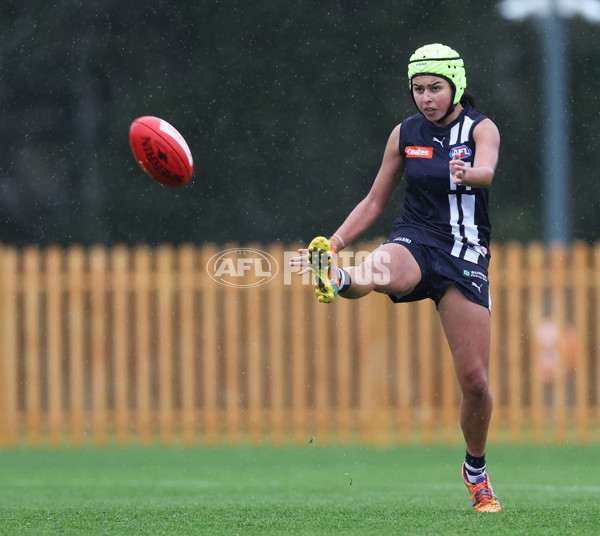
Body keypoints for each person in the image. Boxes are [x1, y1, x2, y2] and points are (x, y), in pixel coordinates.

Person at [290, 43, 501, 512]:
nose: (426, 98)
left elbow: (487, 169)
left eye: (436, 88)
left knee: (475, 383)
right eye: (419, 89)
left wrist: (470, 173)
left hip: (465, 254)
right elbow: (374, 201)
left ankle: (476, 472)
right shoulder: (405, 133)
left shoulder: (481, 128)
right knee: (382, 267)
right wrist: (336, 241)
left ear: (457, 86)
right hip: (416, 238)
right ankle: (339, 277)